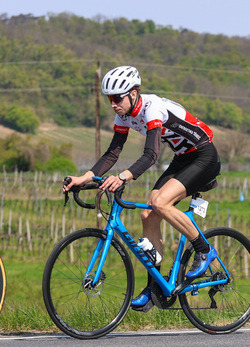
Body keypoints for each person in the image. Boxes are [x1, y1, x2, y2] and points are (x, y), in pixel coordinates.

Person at [63, 66, 221, 311]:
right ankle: (155, 288)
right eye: (109, 99)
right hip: (182, 158)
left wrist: (124, 177)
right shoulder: (123, 115)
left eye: (117, 98)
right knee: (148, 214)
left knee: (160, 203)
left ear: (134, 93)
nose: (113, 104)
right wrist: (85, 177)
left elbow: (151, 154)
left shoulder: (152, 108)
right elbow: (113, 152)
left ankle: (204, 250)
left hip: (204, 156)